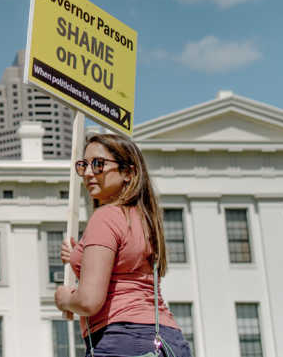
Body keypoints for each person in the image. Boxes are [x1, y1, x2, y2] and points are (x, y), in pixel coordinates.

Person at [55, 133, 192, 357]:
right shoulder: (146, 220)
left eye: (98, 164)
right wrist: (78, 256)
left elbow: (89, 301)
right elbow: (126, 270)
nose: (88, 173)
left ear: (128, 172)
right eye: (84, 165)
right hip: (168, 340)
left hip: (121, 338)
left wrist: (65, 298)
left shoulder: (105, 217)